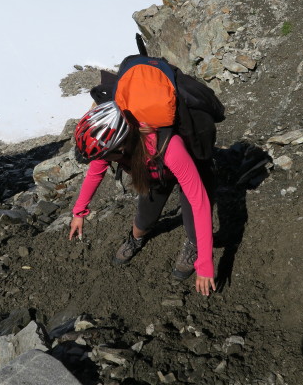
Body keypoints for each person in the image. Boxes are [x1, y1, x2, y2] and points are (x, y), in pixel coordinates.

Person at [68, 101, 216, 296]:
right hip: (156, 174)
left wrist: (205, 264)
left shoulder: (169, 148)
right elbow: (95, 174)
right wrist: (79, 212)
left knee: (195, 228)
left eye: (105, 156)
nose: (102, 160)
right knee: (144, 221)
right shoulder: (110, 145)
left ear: (120, 147)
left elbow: (200, 202)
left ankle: (193, 247)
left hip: (188, 167)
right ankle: (135, 239)